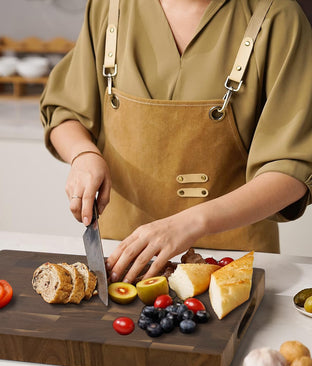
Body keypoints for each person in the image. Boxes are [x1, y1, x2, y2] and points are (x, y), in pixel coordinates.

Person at [40, 0, 312, 284]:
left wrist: (192, 223)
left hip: (231, 265)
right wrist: (83, 154)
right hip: (120, 259)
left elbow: (293, 168)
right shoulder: (110, 6)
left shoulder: (278, 15)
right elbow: (64, 111)